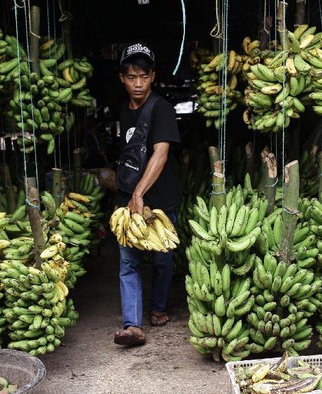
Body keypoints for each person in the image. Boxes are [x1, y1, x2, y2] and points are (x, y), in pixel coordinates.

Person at [113, 43, 181, 346]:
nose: (137, 83)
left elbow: (161, 154)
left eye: (143, 76)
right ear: (122, 79)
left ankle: (157, 307)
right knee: (128, 262)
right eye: (131, 77)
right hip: (128, 198)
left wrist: (140, 194)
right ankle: (132, 325)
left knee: (162, 260)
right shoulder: (122, 111)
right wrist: (126, 194)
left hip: (160, 199)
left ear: (152, 76)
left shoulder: (161, 108)